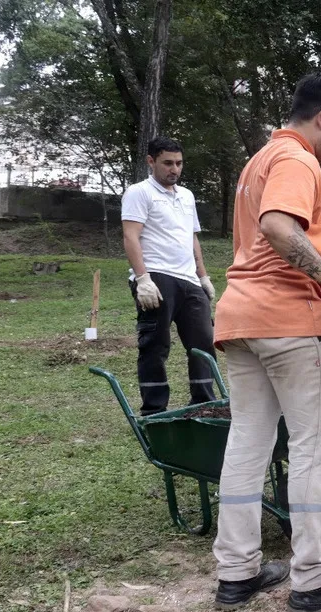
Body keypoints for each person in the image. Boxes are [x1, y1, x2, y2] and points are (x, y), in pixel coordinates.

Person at [210, 73, 321, 612]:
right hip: (293, 322)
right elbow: (279, 227)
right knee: (313, 449)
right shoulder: (298, 161)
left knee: (248, 444)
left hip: (241, 318)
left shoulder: (260, 160)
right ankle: (312, 577)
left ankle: (237, 571)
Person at [121, 136, 217, 416]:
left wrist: (203, 276)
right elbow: (130, 236)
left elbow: (192, 238)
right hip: (157, 279)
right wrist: (142, 279)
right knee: (155, 345)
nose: (174, 169)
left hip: (188, 281)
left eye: (179, 163)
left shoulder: (186, 196)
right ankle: (154, 410)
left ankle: (203, 403)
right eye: (167, 163)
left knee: (203, 343)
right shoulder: (139, 193)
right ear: (151, 161)